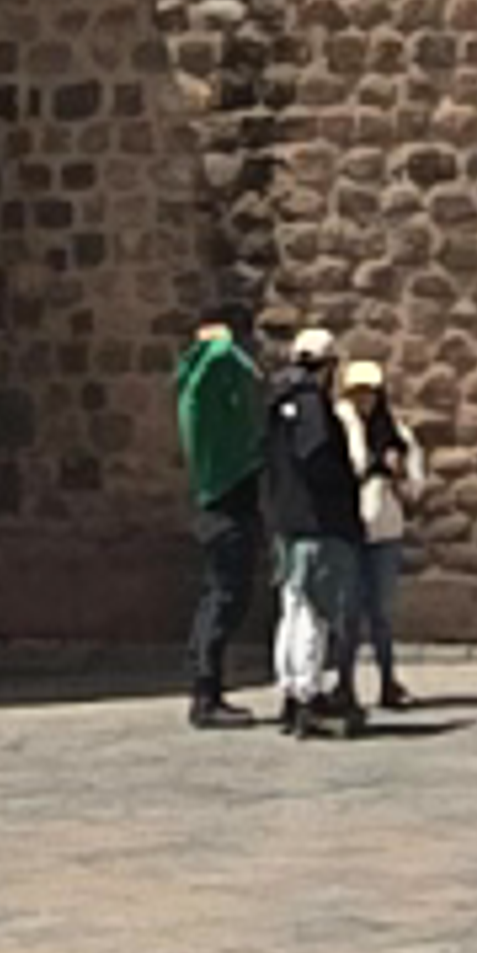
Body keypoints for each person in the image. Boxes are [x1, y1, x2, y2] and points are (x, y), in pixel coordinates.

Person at [261, 326, 372, 734]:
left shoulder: (276, 400)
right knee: (313, 609)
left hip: (286, 520)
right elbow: (316, 456)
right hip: (316, 522)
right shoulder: (310, 403)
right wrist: (342, 491)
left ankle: (291, 690)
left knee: (291, 607)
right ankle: (308, 694)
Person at [175, 310, 270, 726]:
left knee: (218, 599)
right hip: (227, 506)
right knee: (225, 600)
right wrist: (222, 341)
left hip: (221, 508)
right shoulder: (208, 377)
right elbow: (223, 359)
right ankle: (206, 693)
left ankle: (205, 687)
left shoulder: (194, 387)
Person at [338, 353, 425, 709]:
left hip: (384, 529)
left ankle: (388, 679)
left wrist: (398, 472)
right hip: (347, 529)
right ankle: (344, 683)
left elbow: (415, 486)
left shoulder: (397, 434)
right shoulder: (338, 431)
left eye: (369, 392)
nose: (364, 400)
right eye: (356, 393)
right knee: (347, 613)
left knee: (381, 613)